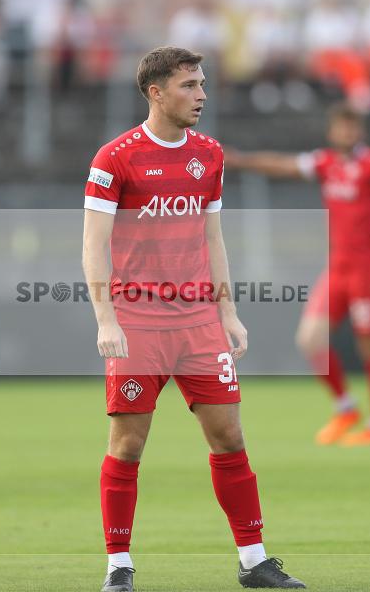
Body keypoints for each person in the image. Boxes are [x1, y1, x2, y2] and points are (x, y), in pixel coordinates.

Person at [83, 46, 305, 592]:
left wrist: (227, 310)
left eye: (202, 84)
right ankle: (118, 567)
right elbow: (94, 245)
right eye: (189, 85)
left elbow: (212, 236)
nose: (202, 94)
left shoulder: (209, 154)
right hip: (137, 321)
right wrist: (106, 320)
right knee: (128, 444)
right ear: (156, 92)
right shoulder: (115, 158)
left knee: (228, 436)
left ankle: (254, 561)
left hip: (199, 321)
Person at [225, 103, 370, 446]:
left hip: (368, 270)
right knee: (309, 339)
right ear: (332, 132)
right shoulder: (325, 162)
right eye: (342, 127)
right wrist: (240, 160)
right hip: (337, 269)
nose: (348, 133)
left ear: (361, 131)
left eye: (353, 127)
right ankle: (346, 408)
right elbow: (281, 165)